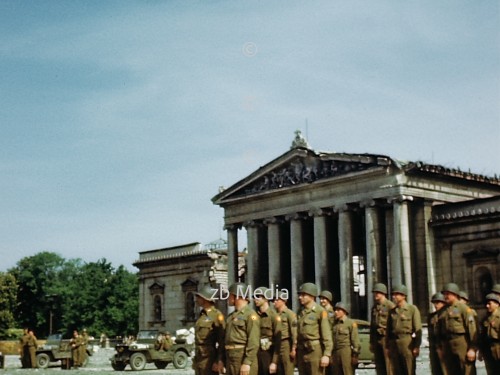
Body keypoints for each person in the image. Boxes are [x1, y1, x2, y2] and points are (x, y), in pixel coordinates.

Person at [439, 282, 477, 375]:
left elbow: (472, 328)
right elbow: (439, 329)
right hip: (448, 344)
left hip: (461, 342)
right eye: (444, 294)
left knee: (466, 370)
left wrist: (472, 348)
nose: (445, 296)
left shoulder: (464, 309)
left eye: (448, 294)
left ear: (455, 294)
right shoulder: (443, 311)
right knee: (451, 371)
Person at [296, 282, 332, 375]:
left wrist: (326, 355)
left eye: (303, 295)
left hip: (314, 352)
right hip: (301, 351)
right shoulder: (300, 312)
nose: (300, 297)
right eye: (300, 295)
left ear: (312, 296)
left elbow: (326, 335)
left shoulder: (320, 311)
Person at [224, 282, 260, 375]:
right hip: (230, 357)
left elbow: (254, 341)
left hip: (242, 356)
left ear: (237, 296)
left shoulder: (250, 315)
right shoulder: (230, 317)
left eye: (230, 295)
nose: (228, 298)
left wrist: (247, 362)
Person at [386, 284, 422, 375]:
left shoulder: (412, 309)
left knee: (408, 369)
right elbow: (388, 330)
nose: (394, 297)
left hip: (407, 341)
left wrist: (417, 346)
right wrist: (387, 346)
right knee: (396, 370)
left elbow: (418, 328)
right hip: (394, 342)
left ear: (403, 296)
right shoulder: (392, 311)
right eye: (393, 295)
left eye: (397, 294)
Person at [193, 285, 225, 375]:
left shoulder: (217, 315)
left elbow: (222, 341)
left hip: (209, 359)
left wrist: (218, 360)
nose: (197, 299)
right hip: (199, 358)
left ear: (205, 298)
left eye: (199, 297)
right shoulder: (201, 315)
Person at [254, 287, 282, 375]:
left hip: (268, 354)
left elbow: (278, 342)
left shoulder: (274, 316)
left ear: (265, 298)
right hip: (256, 354)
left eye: (258, 296)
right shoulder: (254, 316)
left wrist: (274, 362)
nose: (255, 299)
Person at [369, 282, 394, 375]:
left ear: (383, 293)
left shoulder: (390, 306)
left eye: (377, 293)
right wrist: (371, 342)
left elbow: (393, 325)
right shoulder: (374, 307)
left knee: (389, 365)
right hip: (377, 338)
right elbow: (372, 326)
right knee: (379, 365)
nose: (375, 295)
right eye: (375, 293)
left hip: (386, 338)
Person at [331, 302, 360, 375]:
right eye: (335, 310)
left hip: (346, 351)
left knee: (347, 372)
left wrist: (355, 355)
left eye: (338, 310)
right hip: (335, 352)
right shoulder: (334, 324)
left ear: (344, 311)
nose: (335, 312)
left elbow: (355, 340)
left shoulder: (350, 323)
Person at [273, 291, 297, 375]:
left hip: (286, 344)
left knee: (287, 369)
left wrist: (293, 348)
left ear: (283, 301)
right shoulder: (275, 314)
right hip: (276, 344)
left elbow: (294, 332)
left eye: (276, 300)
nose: (274, 302)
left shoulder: (289, 314)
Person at [478, 293, 500, 375]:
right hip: (488, 350)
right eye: (486, 304)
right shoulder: (485, 319)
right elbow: (482, 336)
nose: (487, 306)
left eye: (489, 303)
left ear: (497, 304)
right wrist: (481, 351)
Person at [428, 292, 446, 375]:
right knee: (435, 369)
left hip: (444, 346)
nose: (436, 305)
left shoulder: (446, 315)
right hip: (434, 347)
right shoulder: (431, 317)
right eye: (434, 303)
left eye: (438, 303)